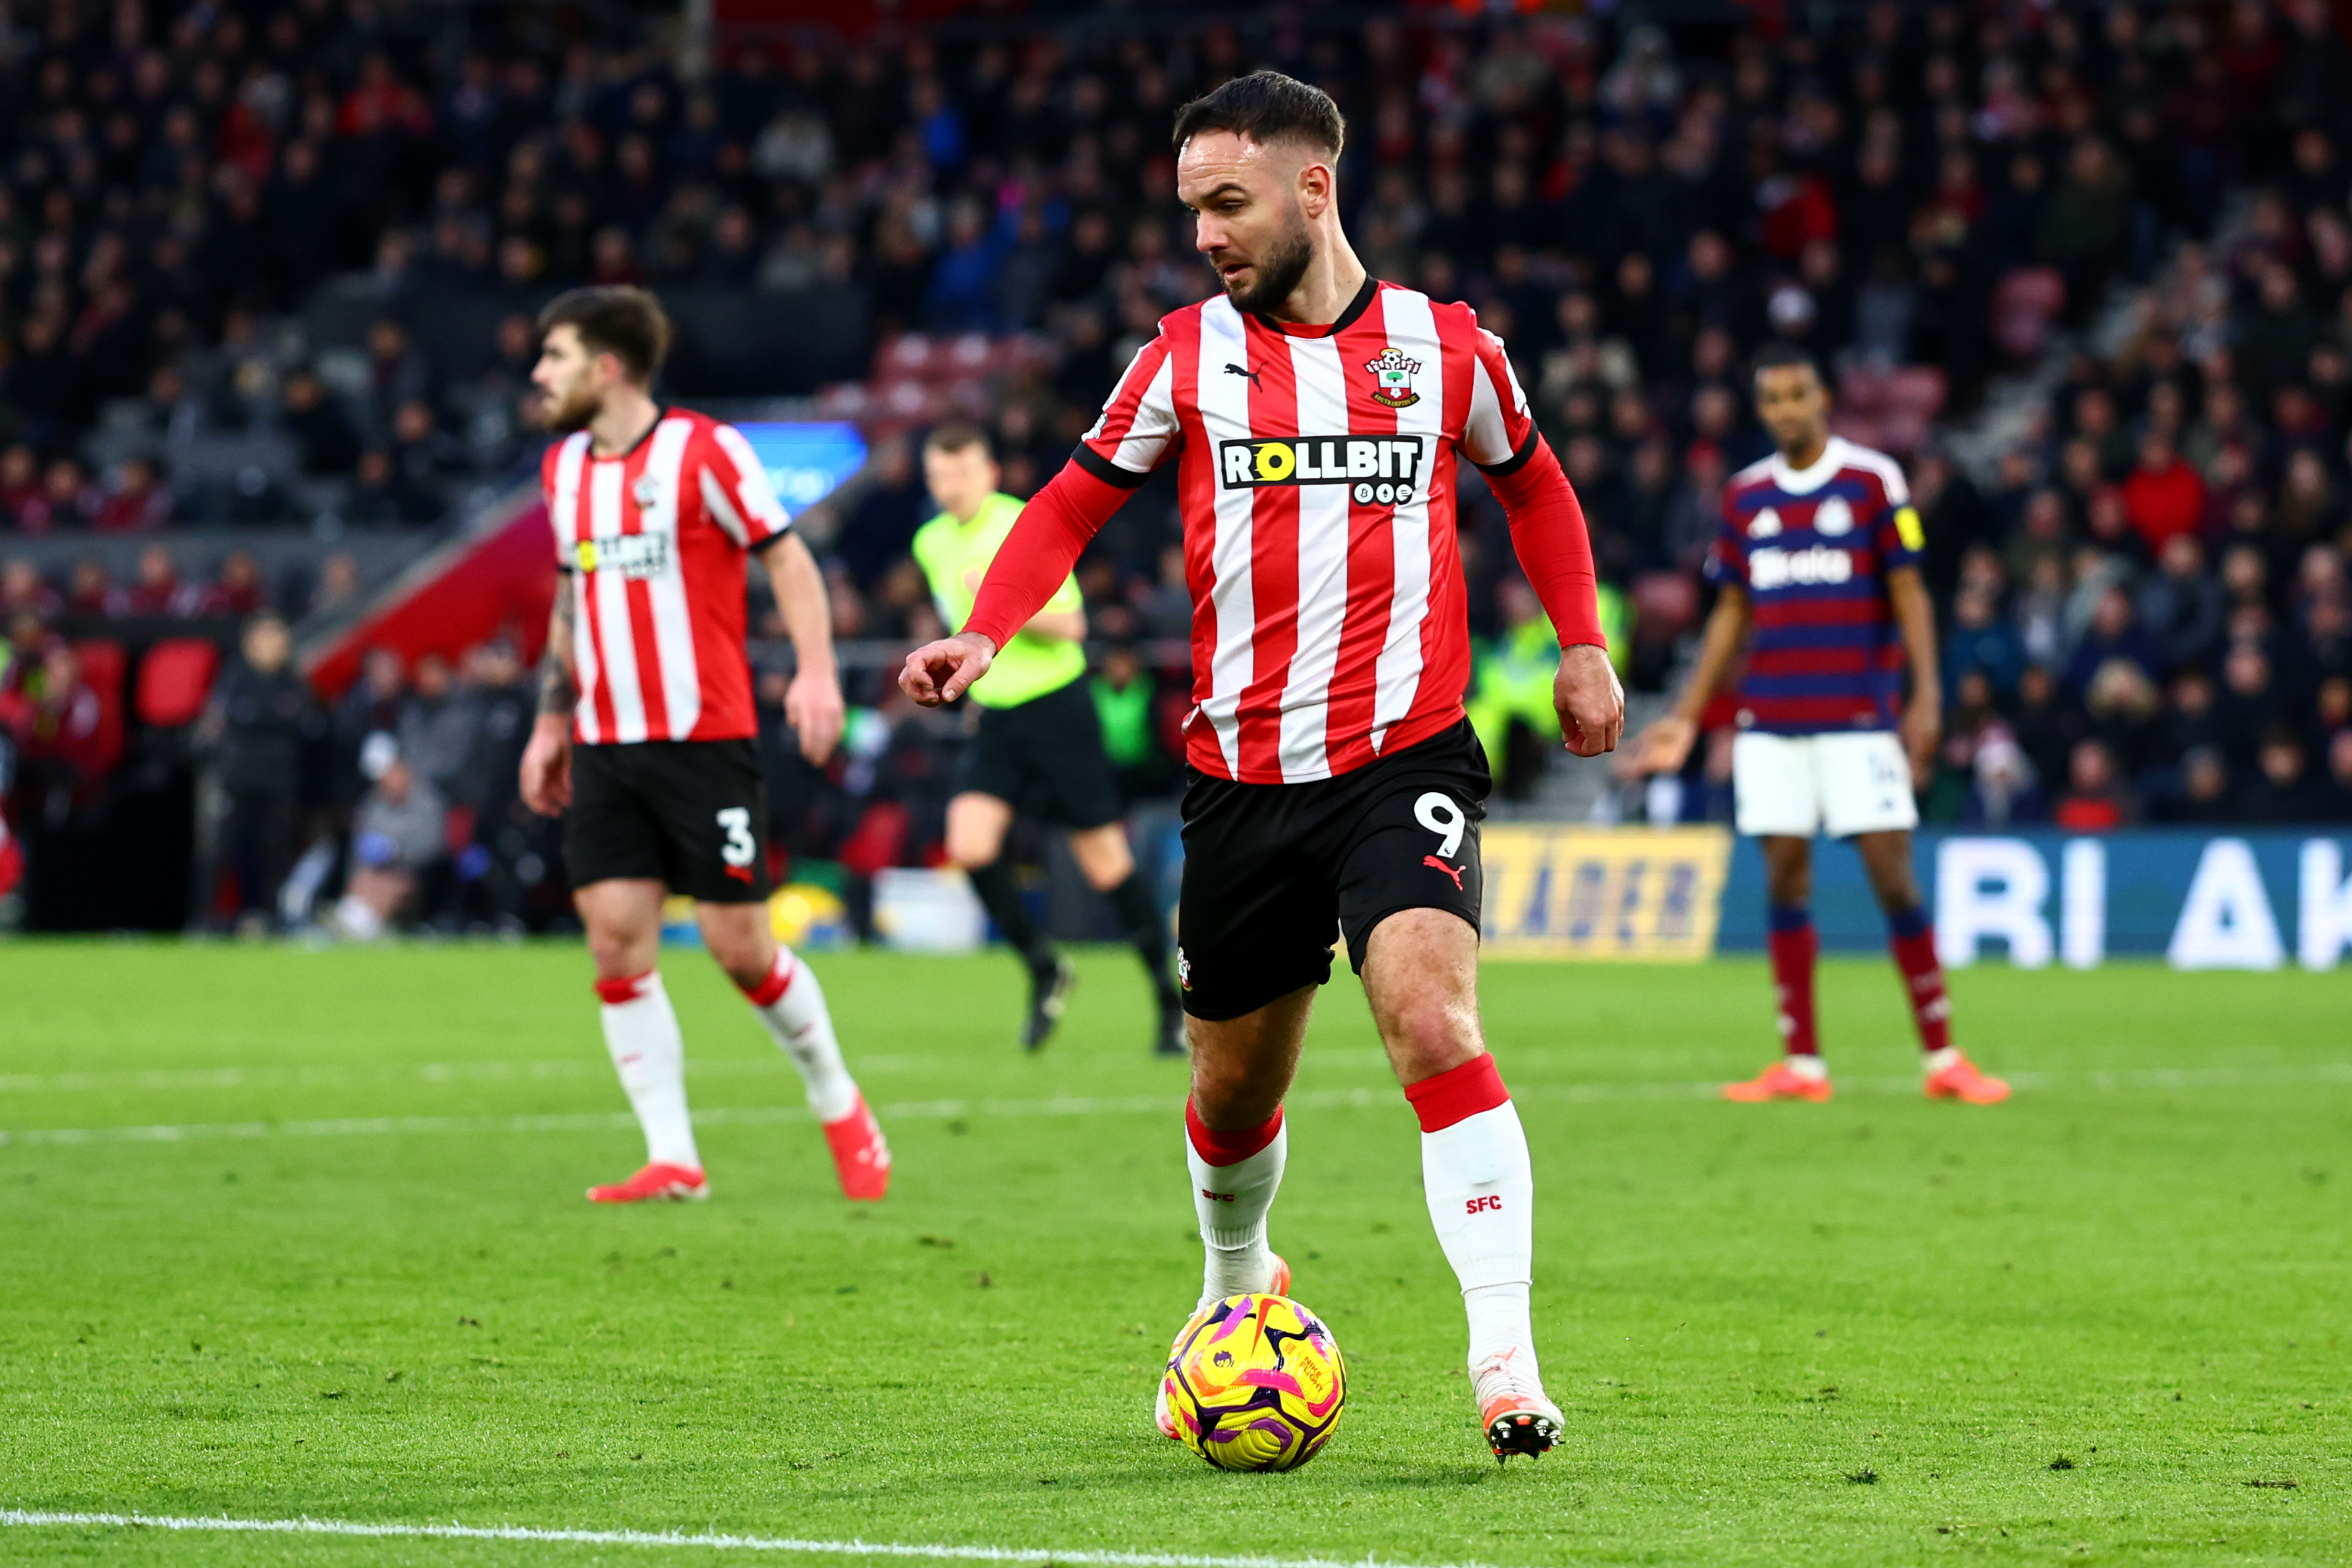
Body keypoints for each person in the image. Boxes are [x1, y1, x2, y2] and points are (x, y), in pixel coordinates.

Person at [900, 73, 1623, 1460]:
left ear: (1313, 188)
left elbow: (1531, 482)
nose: (1206, 236)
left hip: (1404, 752)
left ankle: (1505, 1361)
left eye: (1227, 204)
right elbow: (1067, 501)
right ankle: (1238, 1283)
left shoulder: (1445, 346)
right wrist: (983, 634)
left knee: (1433, 1018)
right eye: (1190, 212)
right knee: (1232, 1091)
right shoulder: (1180, 358)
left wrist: (1580, 641)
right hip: (1239, 781)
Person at [516, 285, 888, 1206]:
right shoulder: (563, 469)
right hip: (606, 740)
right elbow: (572, 597)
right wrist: (551, 719)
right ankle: (673, 1156)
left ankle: (838, 1100)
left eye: (554, 356)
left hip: (704, 738)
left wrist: (815, 672)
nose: (539, 373)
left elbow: (787, 557)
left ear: (606, 366)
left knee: (740, 949)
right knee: (614, 939)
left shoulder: (703, 452)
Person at [1633, 344, 2009, 1106]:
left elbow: (1908, 593)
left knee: (1891, 875)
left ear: (1823, 398)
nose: (1786, 411)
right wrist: (1682, 715)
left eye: (1797, 395)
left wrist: (1925, 698)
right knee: (1783, 876)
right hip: (1770, 719)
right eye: (1771, 399)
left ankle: (1942, 1056)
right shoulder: (1744, 498)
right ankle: (1802, 1064)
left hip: (1857, 719)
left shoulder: (1871, 482)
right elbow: (1732, 610)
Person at [910, 420, 1184, 1055]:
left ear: (989, 474)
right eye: (937, 476)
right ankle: (1044, 967)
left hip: (1056, 708)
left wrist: (1002, 608)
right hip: (997, 715)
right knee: (968, 845)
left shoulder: (1020, 525)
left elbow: (1070, 626)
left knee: (1104, 861)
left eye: (960, 473)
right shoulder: (930, 542)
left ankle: (1171, 1004)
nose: (948, 486)